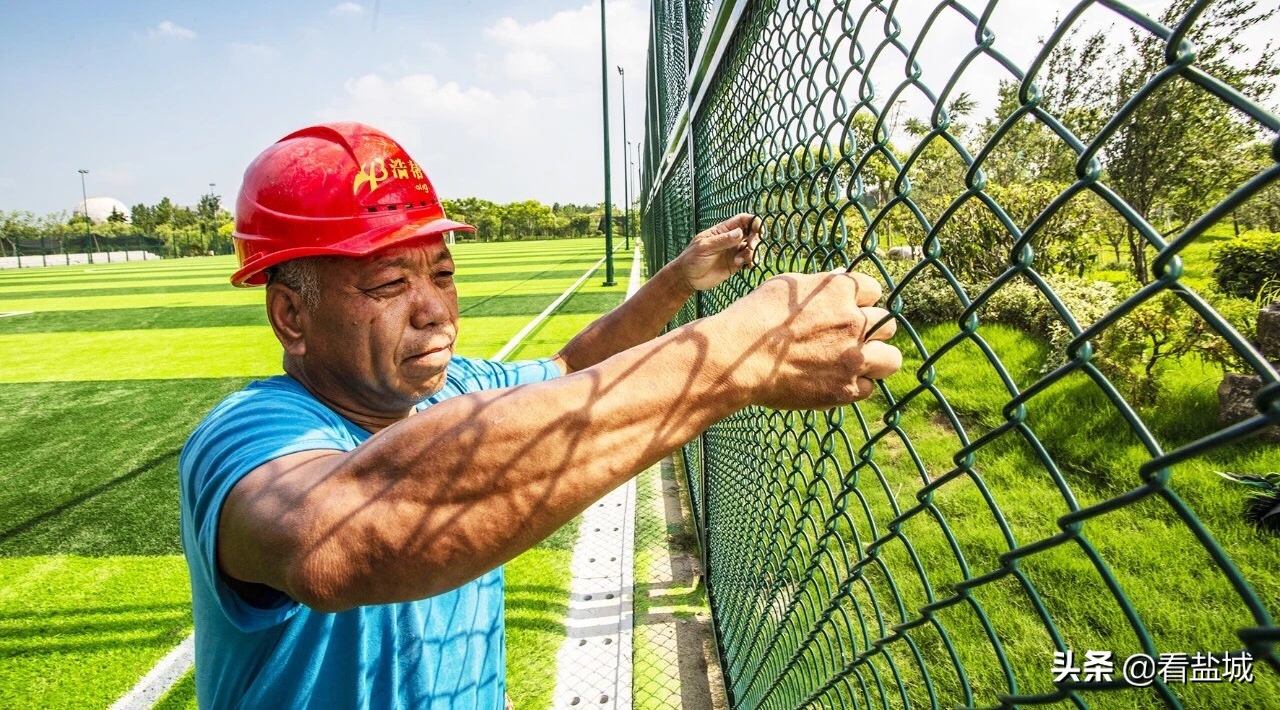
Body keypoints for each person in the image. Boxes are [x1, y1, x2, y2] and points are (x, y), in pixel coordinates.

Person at [179, 122, 901, 708]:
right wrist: (737, 355)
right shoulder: (248, 433)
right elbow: (339, 536)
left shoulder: (453, 385)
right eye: (390, 282)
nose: (433, 308)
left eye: (442, 272)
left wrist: (679, 280)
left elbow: (568, 369)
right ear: (291, 314)